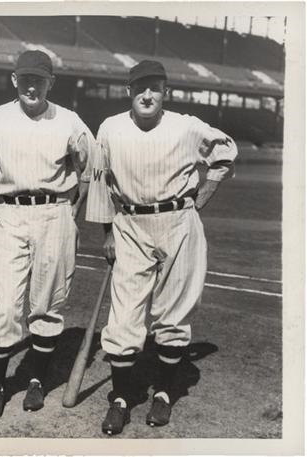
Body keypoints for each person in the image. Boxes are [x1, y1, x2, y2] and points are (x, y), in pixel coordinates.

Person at [82, 60, 237, 435]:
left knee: (172, 316)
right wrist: (108, 234)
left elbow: (226, 151)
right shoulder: (111, 128)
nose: (147, 95)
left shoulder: (186, 126)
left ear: (164, 91)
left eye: (154, 87)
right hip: (130, 225)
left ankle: (164, 393)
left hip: (178, 223)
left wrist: (205, 192)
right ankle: (120, 399)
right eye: (139, 88)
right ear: (129, 91)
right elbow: (102, 184)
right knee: (122, 320)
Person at [0, 50, 93, 418]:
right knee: (6, 307)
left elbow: (91, 168)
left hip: (55, 215)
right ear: (15, 80)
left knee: (48, 305)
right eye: (26, 79)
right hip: (10, 214)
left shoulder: (70, 122)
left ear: (51, 83)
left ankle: (36, 381)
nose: (33, 86)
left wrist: (73, 208)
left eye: (40, 80)